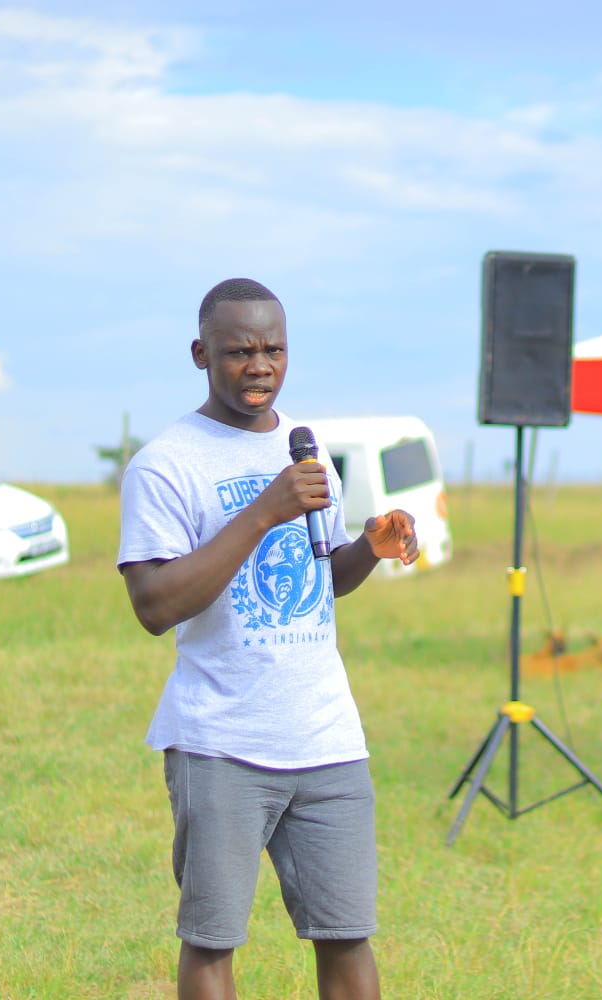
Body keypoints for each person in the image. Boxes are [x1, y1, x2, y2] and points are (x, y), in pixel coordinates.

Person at [117, 278, 416, 1000]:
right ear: (201, 353)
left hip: (327, 737)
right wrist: (262, 510)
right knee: (213, 938)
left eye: (273, 349)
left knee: (348, 934)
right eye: (239, 350)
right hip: (221, 741)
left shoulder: (303, 447)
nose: (259, 365)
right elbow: (155, 606)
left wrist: (368, 550)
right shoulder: (166, 464)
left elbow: (323, 579)